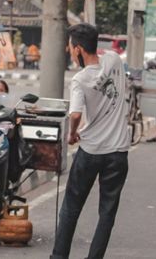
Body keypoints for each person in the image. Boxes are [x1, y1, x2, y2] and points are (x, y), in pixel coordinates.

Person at [51, 23, 130, 259]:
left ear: (77, 49)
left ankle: (59, 257)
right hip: (118, 152)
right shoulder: (114, 60)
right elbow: (104, 60)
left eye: (70, 47)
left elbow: (75, 114)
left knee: (70, 209)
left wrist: (72, 133)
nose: (69, 51)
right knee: (107, 213)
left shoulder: (80, 79)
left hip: (90, 152)